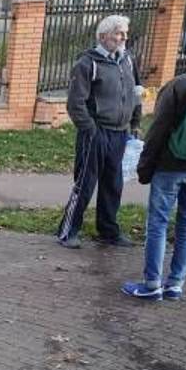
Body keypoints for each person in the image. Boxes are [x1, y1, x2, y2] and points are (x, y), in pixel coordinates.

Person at [124, 24, 186, 301]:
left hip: (170, 167)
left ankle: (152, 285)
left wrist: (145, 168)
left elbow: (158, 131)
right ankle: (175, 285)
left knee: (158, 224)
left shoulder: (179, 84)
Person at [58, 14, 142, 249]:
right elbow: (75, 103)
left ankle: (108, 231)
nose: (123, 37)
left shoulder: (128, 60)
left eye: (125, 32)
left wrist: (135, 122)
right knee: (85, 183)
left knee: (113, 184)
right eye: (118, 32)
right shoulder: (87, 63)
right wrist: (90, 129)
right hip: (96, 132)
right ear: (103, 36)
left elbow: (136, 92)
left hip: (120, 132)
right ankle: (68, 231)